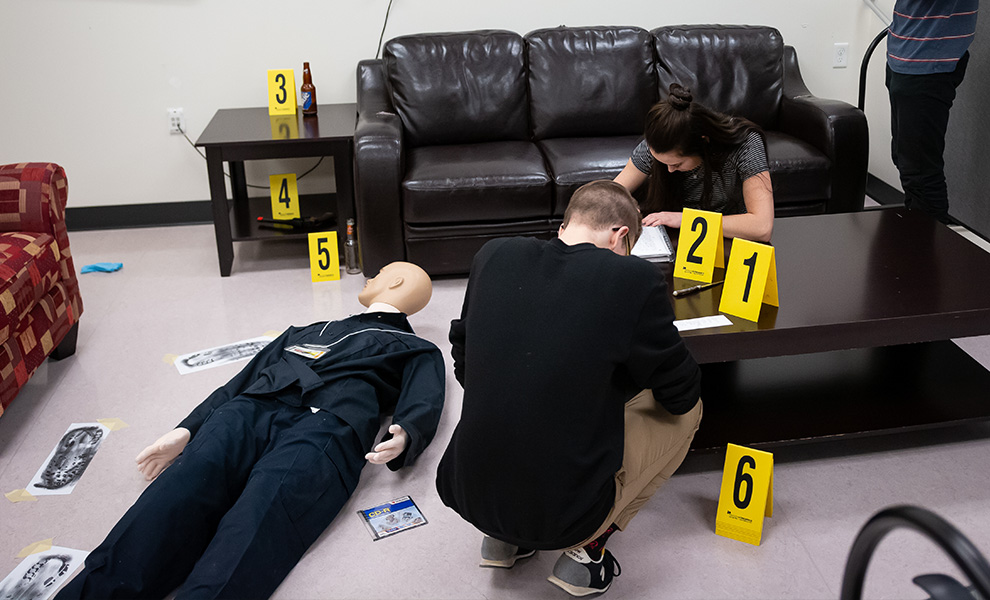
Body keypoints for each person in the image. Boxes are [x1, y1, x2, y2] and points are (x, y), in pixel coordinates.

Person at [57, 262, 445, 600]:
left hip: (326, 424)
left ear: (394, 284)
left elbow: (424, 396)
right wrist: (187, 430)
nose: (368, 278)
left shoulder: (413, 345)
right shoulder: (308, 328)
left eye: (377, 275)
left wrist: (407, 431)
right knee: (177, 494)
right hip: (249, 409)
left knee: (261, 517)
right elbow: (241, 381)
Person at [435, 180, 703, 596]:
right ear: (622, 235)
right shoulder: (632, 277)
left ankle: (504, 538)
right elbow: (680, 390)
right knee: (692, 411)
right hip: (566, 514)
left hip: (467, 489)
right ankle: (588, 550)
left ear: (568, 223)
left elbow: (466, 360)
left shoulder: (494, 254)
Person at [614, 83, 774, 242]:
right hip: (676, 239)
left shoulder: (745, 143)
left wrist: (686, 219)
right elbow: (608, 193)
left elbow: (761, 227)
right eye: (662, 163)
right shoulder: (658, 145)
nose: (669, 170)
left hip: (730, 240)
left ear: (703, 142)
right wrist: (626, 207)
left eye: (677, 164)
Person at [886, 0, 978, 224]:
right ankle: (915, 242)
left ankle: (925, 252)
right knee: (904, 159)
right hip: (902, 54)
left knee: (921, 174)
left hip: (929, 63)